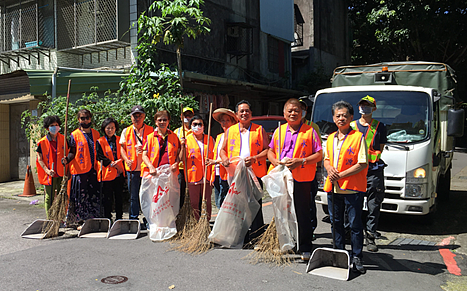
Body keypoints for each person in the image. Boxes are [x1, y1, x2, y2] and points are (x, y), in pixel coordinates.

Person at [267, 98, 323, 261]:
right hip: (282, 177)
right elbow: (270, 150)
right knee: (282, 212)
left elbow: (319, 155)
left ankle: (305, 247)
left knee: (302, 212)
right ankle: (286, 244)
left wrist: (302, 161)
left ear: (302, 113)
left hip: (302, 178)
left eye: (296, 110)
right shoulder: (279, 131)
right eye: (290, 111)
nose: (293, 113)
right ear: (284, 114)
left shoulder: (310, 131)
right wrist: (274, 161)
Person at [323, 100, 368, 274]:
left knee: (355, 224)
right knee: (336, 223)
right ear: (334, 118)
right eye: (338, 115)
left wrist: (340, 175)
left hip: (352, 189)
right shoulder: (330, 138)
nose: (341, 118)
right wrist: (329, 169)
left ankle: (357, 256)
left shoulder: (358, 137)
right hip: (333, 189)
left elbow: (362, 163)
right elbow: (327, 159)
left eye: (344, 115)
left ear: (351, 117)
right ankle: (339, 253)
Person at [220, 100, 269, 246]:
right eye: (241, 111)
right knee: (238, 205)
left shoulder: (259, 130)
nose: (244, 113)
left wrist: (255, 158)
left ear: (251, 113)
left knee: (255, 204)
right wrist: (224, 158)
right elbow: (223, 149)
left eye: (247, 111)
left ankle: (257, 237)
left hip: (254, 172)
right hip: (236, 173)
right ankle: (239, 236)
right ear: (236, 114)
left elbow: (267, 150)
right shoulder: (231, 130)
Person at [350, 95, 387, 252]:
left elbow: (381, 148)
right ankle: (350, 234)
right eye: (362, 105)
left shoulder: (380, 127)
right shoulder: (351, 126)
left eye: (368, 106)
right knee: (352, 204)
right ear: (358, 108)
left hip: (373, 171)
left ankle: (370, 237)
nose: (364, 108)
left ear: (374, 108)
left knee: (373, 205)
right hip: (354, 171)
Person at [64, 109, 101, 226]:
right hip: (79, 172)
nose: (85, 120)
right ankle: (79, 221)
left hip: (93, 170)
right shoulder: (74, 135)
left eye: (87, 118)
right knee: (80, 197)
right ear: (78, 120)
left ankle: (93, 219)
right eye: (82, 118)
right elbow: (72, 152)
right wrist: (67, 159)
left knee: (93, 195)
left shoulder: (96, 134)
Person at [120, 105, 154, 226]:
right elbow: (122, 148)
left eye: (139, 116)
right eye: (135, 116)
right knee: (133, 196)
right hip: (132, 168)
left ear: (144, 117)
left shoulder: (151, 130)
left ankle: (149, 219)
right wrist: (126, 159)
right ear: (131, 117)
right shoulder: (126, 131)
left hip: (146, 169)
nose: (137, 118)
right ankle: (133, 219)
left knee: (148, 195)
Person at [299, 96, 322, 240]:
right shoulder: (285, 128)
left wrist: (318, 169)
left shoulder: (312, 127)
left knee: (309, 202)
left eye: (300, 109)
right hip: (292, 174)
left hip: (309, 171)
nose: (297, 112)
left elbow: (318, 151)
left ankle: (311, 227)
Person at [36, 115, 68, 219]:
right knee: (49, 197)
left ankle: (60, 217)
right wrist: (47, 170)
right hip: (50, 174)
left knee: (61, 196)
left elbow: (67, 154)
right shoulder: (42, 142)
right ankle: (50, 218)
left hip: (61, 172)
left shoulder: (63, 139)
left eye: (57, 125)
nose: (55, 127)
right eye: (52, 125)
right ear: (47, 128)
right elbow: (40, 159)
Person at [185, 115, 215, 220]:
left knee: (206, 201)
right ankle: (196, 222)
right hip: (193, 175)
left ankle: (206, 222)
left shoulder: (210, 139)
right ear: (190, 126)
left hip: (207, 175)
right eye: (194, 124)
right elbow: (181, 158)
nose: (197, 126)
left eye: (200, 124)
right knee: (194, 202)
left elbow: (214, 156)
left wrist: (213, 173)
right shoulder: (187, 140)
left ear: (204, 127)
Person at [96, 118, 125, 222]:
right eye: (108, 128)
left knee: (119, 197)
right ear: (104, 129)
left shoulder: (119, 139)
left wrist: (119, 162)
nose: (110, 130)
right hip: (107, 174)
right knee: (107, 198)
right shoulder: (100, 141)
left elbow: (124, 153)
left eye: (112, 128)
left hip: (119, 172)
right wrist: (111, 163)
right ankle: (108, 217)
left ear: (115, 129)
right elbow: (99, 156)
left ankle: (119, 217)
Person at [209, 108, 238, 209]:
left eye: (227, 120)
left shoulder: (234, 136)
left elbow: (233, 156)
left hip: (228, 172)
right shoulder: (219, 136)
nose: (225, 123)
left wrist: (216, 161)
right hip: (217, 172)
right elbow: (216, 154)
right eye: (222, 120)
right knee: (219, 199)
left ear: (233, 122)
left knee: (227, 200)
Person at [141, 110, 181, 176]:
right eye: (160, 120)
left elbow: (179, 153)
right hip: (154, 173)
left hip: (170, 173)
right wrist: (150, 167)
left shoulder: (174, 136)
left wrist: (176, 163)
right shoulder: (150, 137)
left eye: (165, 120)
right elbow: (144, 155)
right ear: (156, 122)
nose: (162, 122)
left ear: (168, 121)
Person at [174, 107, 195, 209]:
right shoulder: (176, 132)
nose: (187, 117)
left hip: (193, 167)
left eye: (189, 115)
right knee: (180, 193)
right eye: (185, 115)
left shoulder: (196, 130)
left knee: (193, 194)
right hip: (180, 168)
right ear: (181, 117)